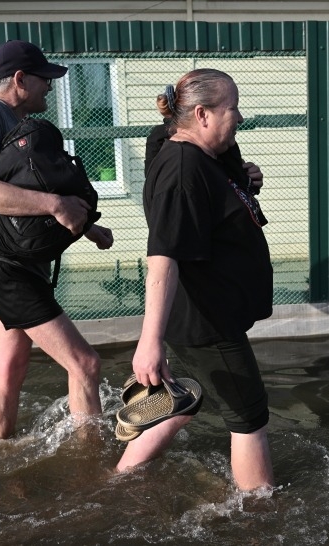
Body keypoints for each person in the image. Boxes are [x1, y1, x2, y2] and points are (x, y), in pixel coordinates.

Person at [116, 69, 274, 490]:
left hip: (205, 313)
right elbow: (163, 257)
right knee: (249, 419)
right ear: (202, 114)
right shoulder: (182, 169)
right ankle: (262, 519)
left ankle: (119, 480)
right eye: (232, 108)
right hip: (208, 321)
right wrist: (148, 344)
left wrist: (243, 179)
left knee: (187, 400)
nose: (239, 117)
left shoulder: (195, 153)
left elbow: (215, 196)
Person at [0, 40, 114, 439]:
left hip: (20, 264)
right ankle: (90, 463)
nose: (50, 87)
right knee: (86, 364)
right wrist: (55, 203)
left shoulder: (19, 124)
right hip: (6, 269)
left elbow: (26, 199)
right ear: (20, 79)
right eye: (45, 79)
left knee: (10, 370)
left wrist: (87, 227)